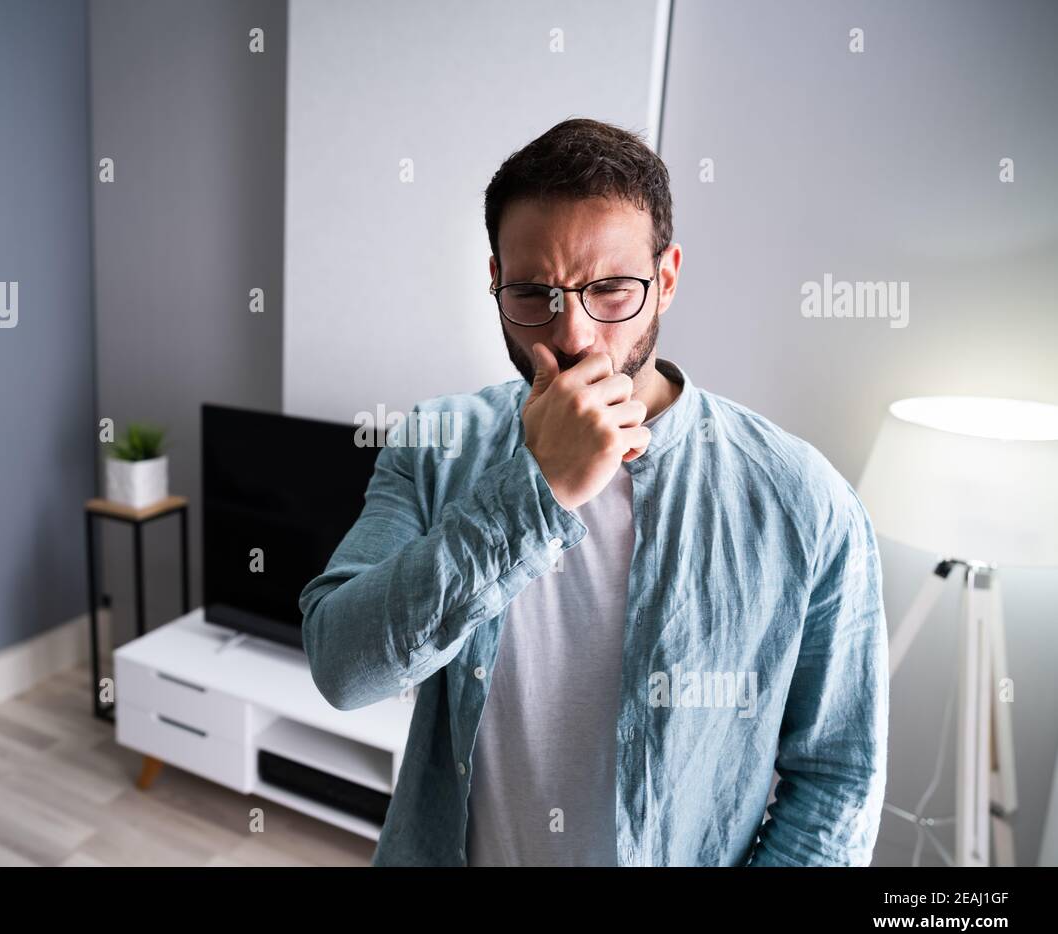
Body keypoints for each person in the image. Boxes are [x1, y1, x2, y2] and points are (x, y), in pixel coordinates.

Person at [299, 118, 888, 866]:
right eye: (532, 292)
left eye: (610, 289)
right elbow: (343, 669)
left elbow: (837, 779)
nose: (573, 333)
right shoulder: (434, 443)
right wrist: (535, 490)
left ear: (666, 278)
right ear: (494, 281)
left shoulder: (805, 501)